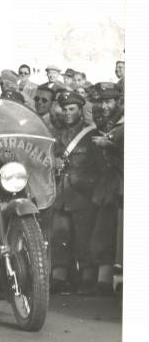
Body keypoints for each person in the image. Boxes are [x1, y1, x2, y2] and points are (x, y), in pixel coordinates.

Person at [51, 90, 99, 295]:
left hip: (82, 194)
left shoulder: (91, 134)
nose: (67, 113)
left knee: (83, 238)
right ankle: (60, 278)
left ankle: (87, 278)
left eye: (72, 109)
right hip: (61, 194)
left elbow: (99, 167)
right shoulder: (57, 135)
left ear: (80, 110)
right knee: (59, 237)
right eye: (64, 109)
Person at [89, 82, 124, 294]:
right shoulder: (102, 123)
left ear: (118, 101)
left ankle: (116, 282)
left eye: (108, 101)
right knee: (104, 229)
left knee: (121, 232)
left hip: (122, 184)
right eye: (100, 101)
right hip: (107, 185)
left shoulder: (124, 123)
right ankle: (103, 281)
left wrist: (111, 142)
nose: (103, 106)